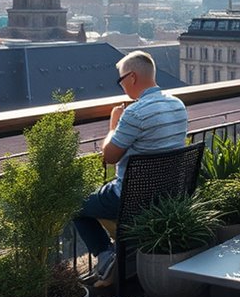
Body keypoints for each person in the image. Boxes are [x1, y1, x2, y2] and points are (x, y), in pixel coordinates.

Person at [73, 51, 189, 283]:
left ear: (132, 77)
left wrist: (113, 125)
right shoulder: (178, 105)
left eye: (121, 80)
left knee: (75, 205)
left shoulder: (135, 113)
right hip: (169, 194)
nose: (121, 86)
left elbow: (109, 156)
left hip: (130, 199)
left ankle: (106, 256)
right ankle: (124, 258)